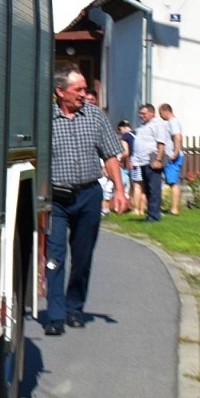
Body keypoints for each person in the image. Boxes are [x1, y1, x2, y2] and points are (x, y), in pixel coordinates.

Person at [46, 65, 129, 336]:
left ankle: (74, 308)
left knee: (82, 258)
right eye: (78, 89)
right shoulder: (45, 118)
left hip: (88, 195)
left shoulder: (94, 116)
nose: (84, 94)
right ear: (60, 91)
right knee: (55, 257)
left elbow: (111, 155)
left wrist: (119, 191)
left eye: (84, 89)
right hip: (56, 199)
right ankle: (55, 315)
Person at [130, 103, 170, 222]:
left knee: (154, 189)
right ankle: (150, 213)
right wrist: (134, 160)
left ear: (152, 113)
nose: (141, 116)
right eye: (140, 114)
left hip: (152, 160)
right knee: (147, 189)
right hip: (142, 161)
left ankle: (154, 216)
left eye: (144, 113)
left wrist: (158, 159)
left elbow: (161, 143)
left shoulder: (157, 124)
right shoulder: (143, 126)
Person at [158, 103, 185, 215]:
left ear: (166, 111)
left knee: (174, 182)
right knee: (170, 182)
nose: (160, 116)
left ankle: (175, 209)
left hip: (173, 157)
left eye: (161, 113)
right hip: (170, 156)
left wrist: (175, 152)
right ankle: (171, 207)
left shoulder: (173, 122)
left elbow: (177, 137)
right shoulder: (170, 122)